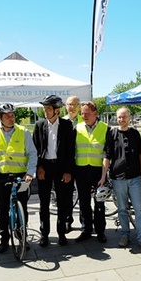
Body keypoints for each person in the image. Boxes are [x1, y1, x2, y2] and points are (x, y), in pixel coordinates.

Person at [0, 103, 37, 253]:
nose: (11, 118)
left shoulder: (24, 132)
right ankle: (4, 240)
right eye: (7, 116)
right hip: (1, 175)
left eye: (12, 115)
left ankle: (22, 237)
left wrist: (30, 172)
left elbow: (32, 153)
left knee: (23, 208)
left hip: (21, 176)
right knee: (2, 210)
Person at [101, 107, 141, 251]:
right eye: (119, 117)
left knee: (139, 208)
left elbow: (140, 156)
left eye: (124, 117)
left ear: (129, 118)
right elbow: (107, 156)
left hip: (134, 177)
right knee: (122, 209)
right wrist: (103, 176)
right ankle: (125, 234)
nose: (122, 120)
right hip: (118, 178)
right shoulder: (112, 133)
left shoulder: (135, 133)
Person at [33, 95, 76, 247]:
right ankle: (44, 234)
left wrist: (68, 171)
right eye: (44, 108)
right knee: (44, 202)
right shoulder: (39, 125)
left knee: (63, 202)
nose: (45, 111)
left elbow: (71, 151)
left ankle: (61, 233)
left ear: (57, 110)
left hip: (61, 168)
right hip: (44, 167)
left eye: (48, 108)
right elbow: (35, 149)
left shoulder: (66, 125)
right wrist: (38, 167)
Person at [74, 101, 109, 243]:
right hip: (81, 170)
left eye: (87, 113)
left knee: (99, 202)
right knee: (84, 203)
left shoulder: (105, 128)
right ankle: (86, 230)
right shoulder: (77, 128)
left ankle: (100, 231)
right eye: (82, 113)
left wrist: (104, 175)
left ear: (95, 114)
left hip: (97, 171)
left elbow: (108, 153)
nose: (84, 116)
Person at [62, 95, 83, 233]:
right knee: (67, 195)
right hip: (67, 165)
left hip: (81, 163)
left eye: (75, 104)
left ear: (79, 106)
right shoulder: (61, 122)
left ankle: (85, 222)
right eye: (70, 104)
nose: (72, 107)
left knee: (83, 195)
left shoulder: (84, 121)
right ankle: (67, 221)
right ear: (65, 106)